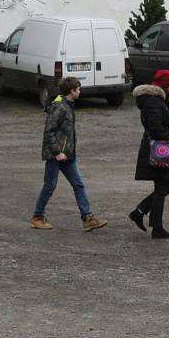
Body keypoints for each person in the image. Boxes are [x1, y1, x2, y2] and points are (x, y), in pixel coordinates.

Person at [30, 77, 107, 232]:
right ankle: (37, 217)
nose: (80, 91)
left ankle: (87, 217)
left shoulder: (68, 106)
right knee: (50, 185)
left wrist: (66, 152)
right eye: (78, 89)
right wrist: (57, 152)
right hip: (57, 155)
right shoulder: (59, 107)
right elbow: (49, 132)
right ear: (72, 91)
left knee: (78, 184)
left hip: (67, 155)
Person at [129, 69, 169, 239]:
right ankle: (156, 227)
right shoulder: (154, 103)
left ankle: (140, 212)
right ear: (165, 86)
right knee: (163, 186)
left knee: (166, 185)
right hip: (157, 148)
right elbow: (155, 127)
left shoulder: (156, 101)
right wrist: (167, 139)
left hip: (157, 147)